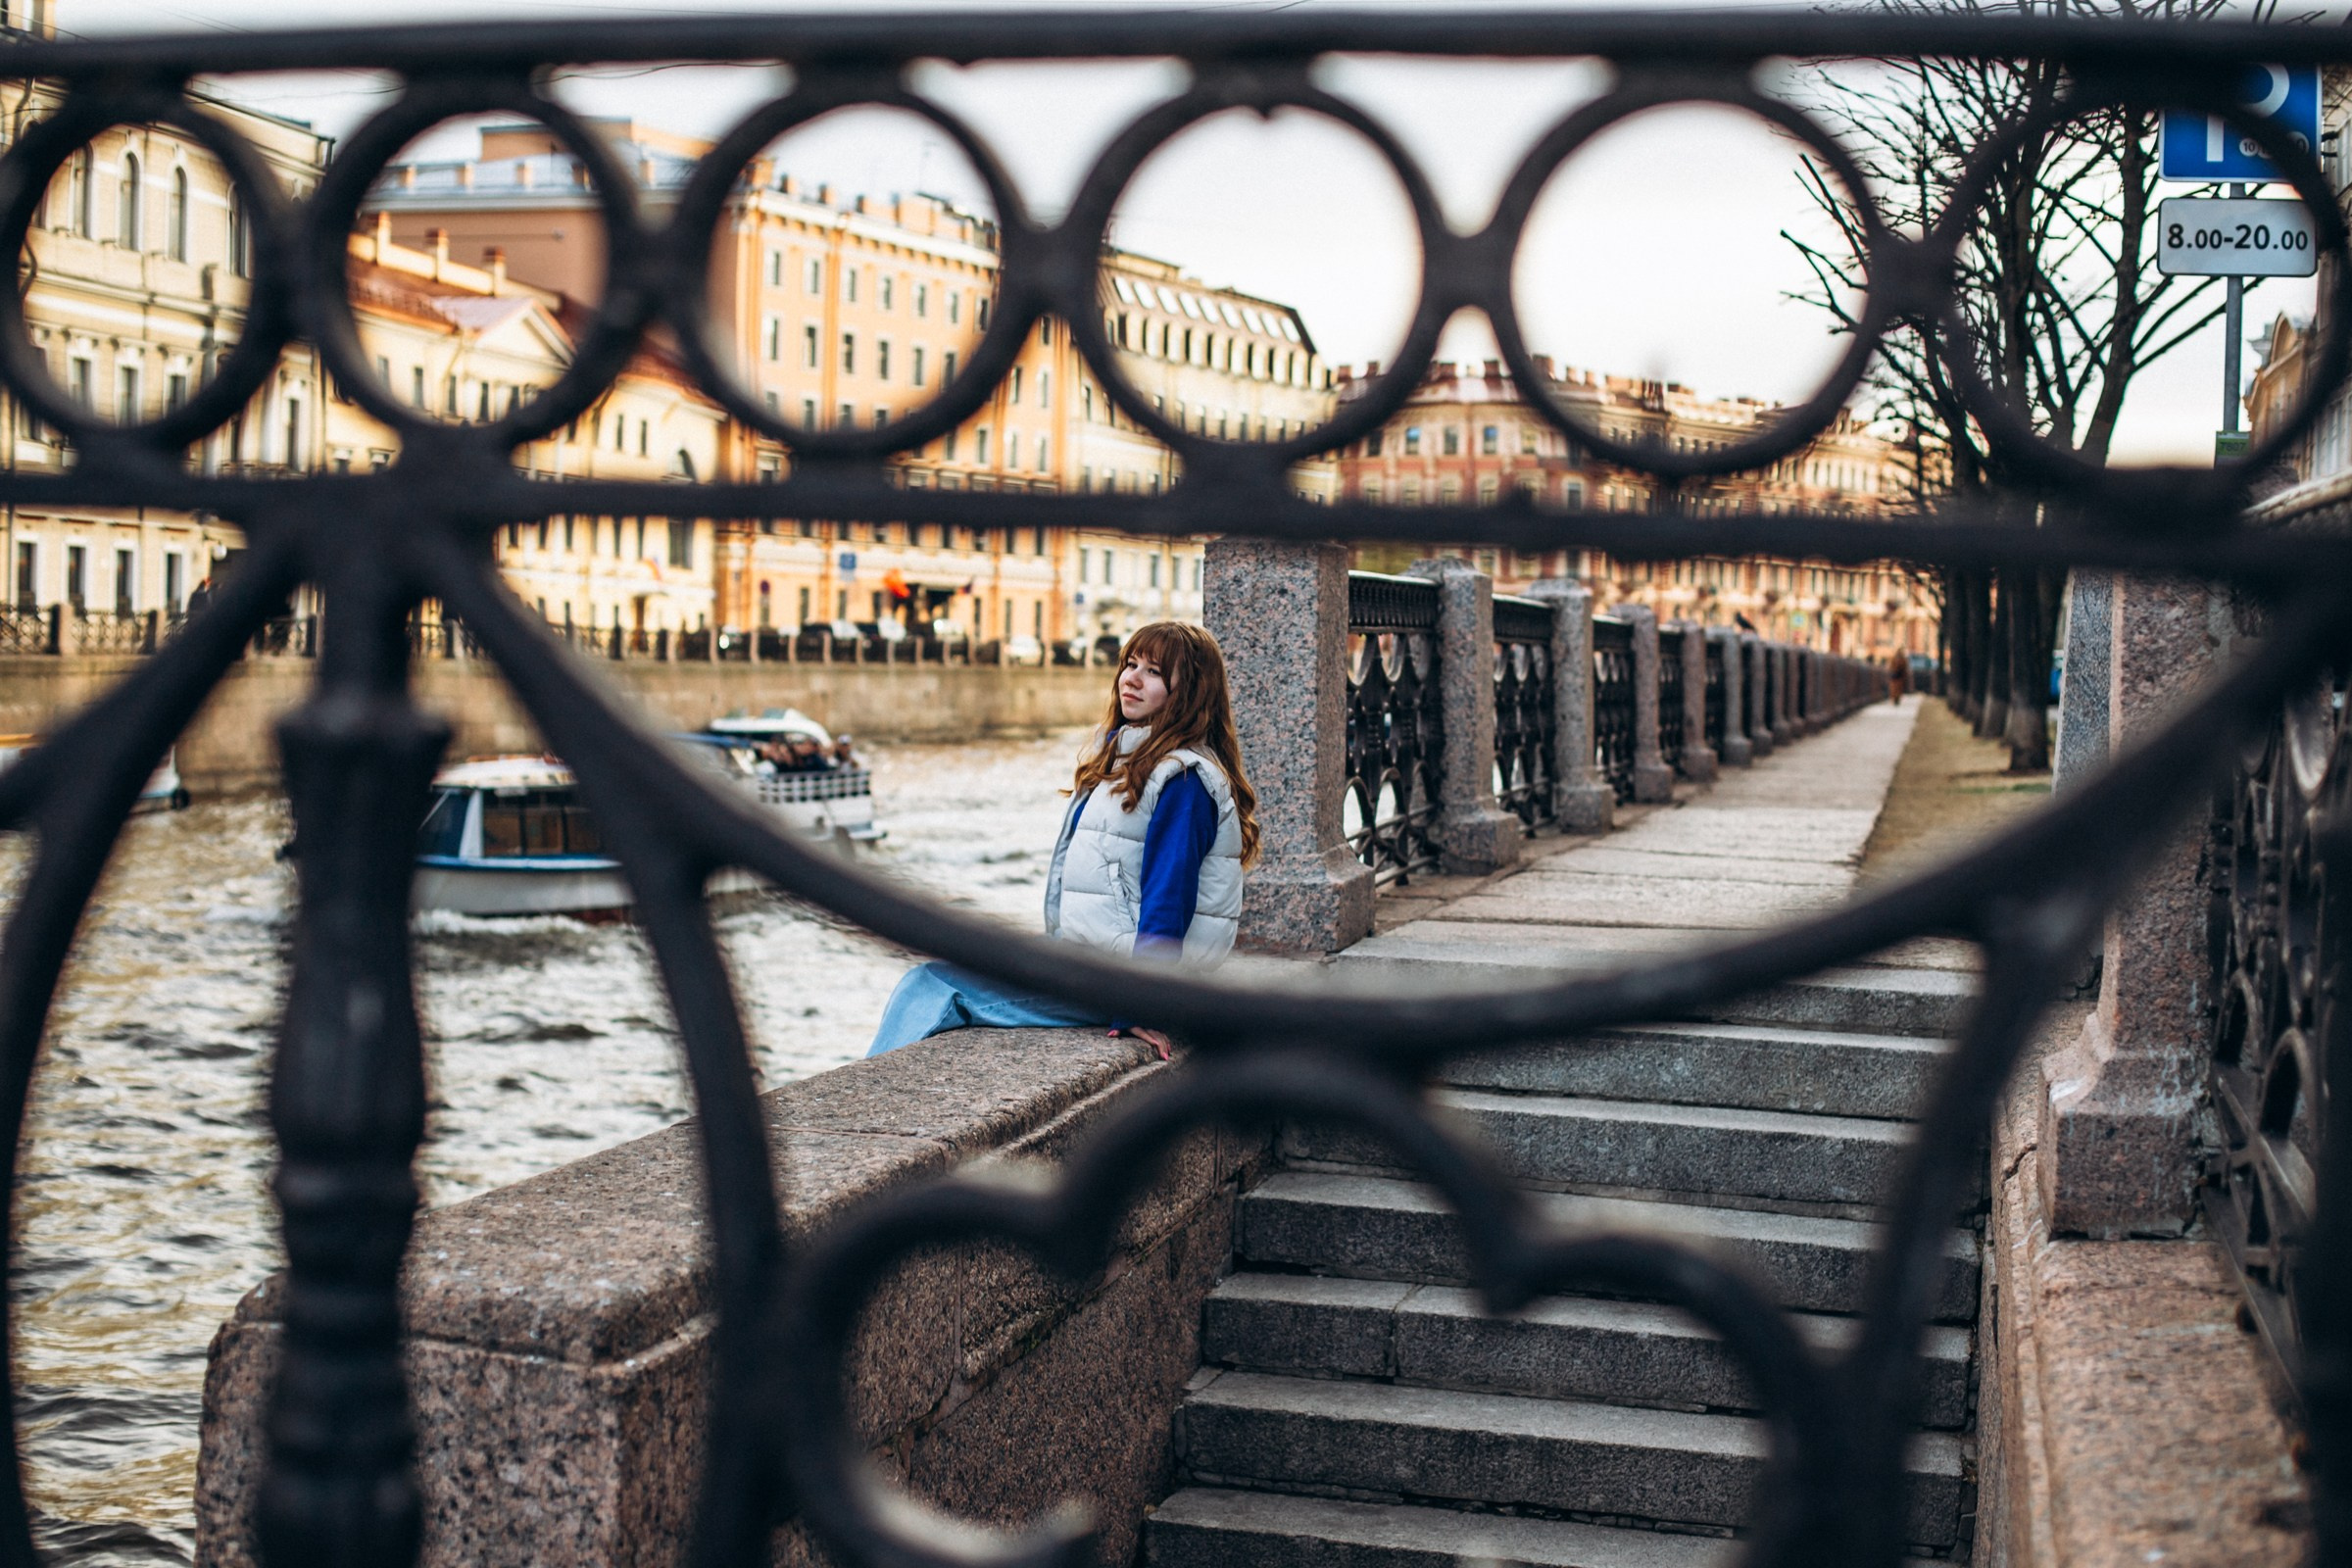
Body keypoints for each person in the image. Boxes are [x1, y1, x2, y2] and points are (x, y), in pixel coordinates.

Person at [866, 620, 1260, 1061]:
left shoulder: (1183, 779)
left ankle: (855, 1111)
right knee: (946, 969)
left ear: (1189, 690)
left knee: (933, 985)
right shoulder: (1124, 757)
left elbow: (1169, 898)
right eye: (1130, 664)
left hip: (1120, 982)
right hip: (1090, 965)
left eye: (1153, 671)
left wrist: (1141, 1002)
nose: (1131, 678)